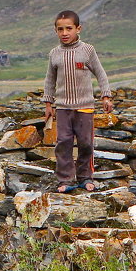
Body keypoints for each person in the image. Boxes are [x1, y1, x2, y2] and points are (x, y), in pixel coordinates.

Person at [41, 10, 112, 193]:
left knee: (86, 143)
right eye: (60, 29)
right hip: (63, 107)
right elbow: (50, 80)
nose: (65, 33)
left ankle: (85, 177)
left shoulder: (87, 50)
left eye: (69, 28)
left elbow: (100, 73)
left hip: (85, 107)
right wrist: (48, 104)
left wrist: (106, 95)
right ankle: (65, 180)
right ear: (55, 31)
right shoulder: (54, 54)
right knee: (63, 142)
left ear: (78, 29)